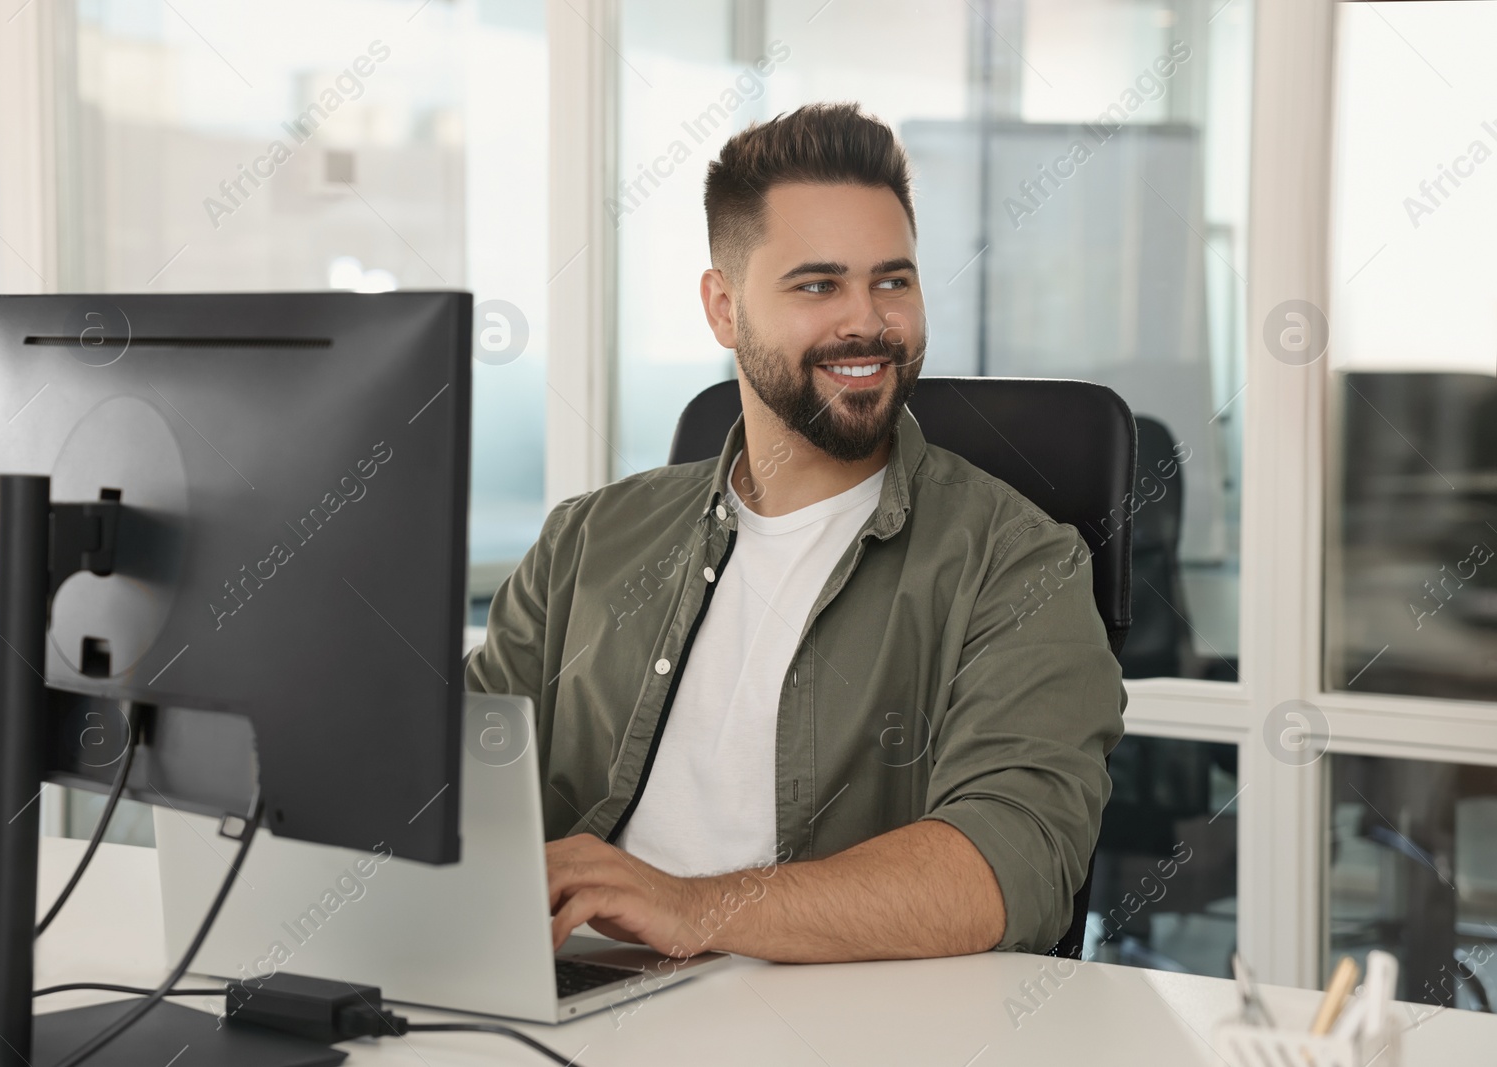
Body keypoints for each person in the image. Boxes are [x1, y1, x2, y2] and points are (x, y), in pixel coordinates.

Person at [466, 101, 1124, 964]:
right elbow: (457, 785)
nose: (867, 321)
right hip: (565, 1005)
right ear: (724, 308)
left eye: (893, 279)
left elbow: (1005, 868)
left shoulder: (1019, 563)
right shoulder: (587, 542)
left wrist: (690, 906)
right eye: (819, 284)